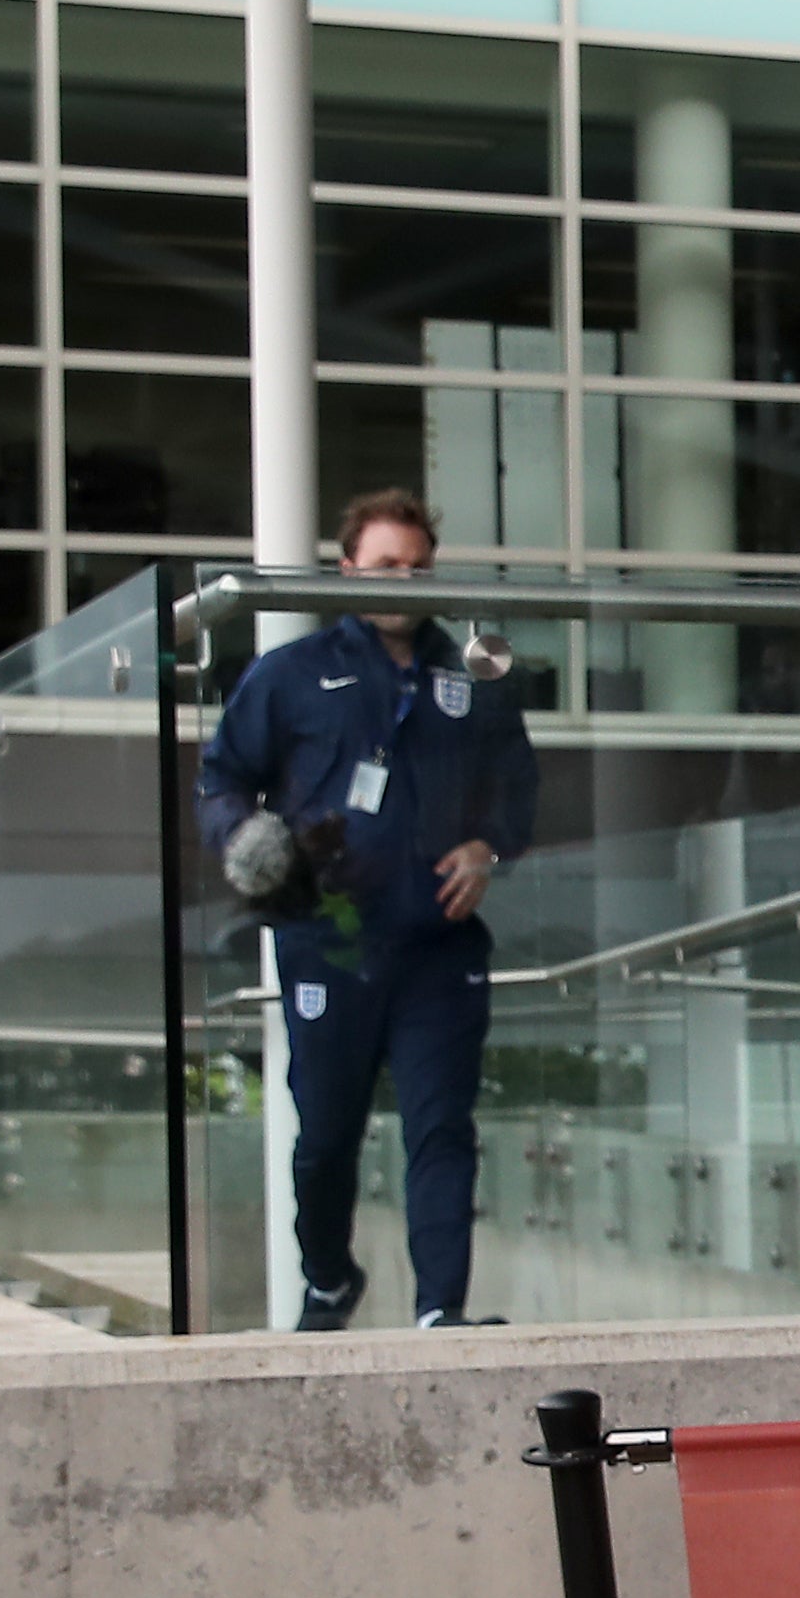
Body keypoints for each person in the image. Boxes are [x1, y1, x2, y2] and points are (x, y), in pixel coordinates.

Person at [195, 486, 537, 1333]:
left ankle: (437, 1314)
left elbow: (518, 789)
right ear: (347, 570)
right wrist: (246, 840)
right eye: (387, 565)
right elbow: (220, 777)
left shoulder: (472, 675)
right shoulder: (291, 676)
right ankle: (327, 1278)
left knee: (441, 1129)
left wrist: (487, 846)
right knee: (325, 1140)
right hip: (331, 942)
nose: (405, 580)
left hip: (438, 947)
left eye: (420, 568)